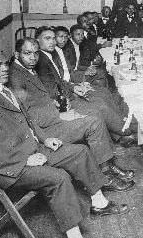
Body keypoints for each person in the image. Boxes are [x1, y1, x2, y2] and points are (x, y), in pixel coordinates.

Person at [0, 48, 128, 238]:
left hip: (33, 149)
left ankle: (99, 203)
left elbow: (28, 120)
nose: (4, 69)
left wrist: (45, 139)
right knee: (58, 178)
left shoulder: (4, 89)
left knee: (79, 152)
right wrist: (24, 160)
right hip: (8, 166)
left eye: (5, 64)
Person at [9, 38, 134, 189]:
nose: (33, 57)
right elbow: (27, 115)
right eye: (27, 53)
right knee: (93, 122)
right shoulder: (15, 77)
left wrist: (57, 104)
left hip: (50, 118)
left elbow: (38, 100)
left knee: (95, 118)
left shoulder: (27, 69)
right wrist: (59, 115)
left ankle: (108, 165)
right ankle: (105, 175)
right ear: (17, 54)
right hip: (43, 130)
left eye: (36, 53)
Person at [34, 26, 135, 143]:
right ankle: (125, 130)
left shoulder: (48, 55)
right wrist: (74, 91)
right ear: (37, 40)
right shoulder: (40, 60)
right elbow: (54, 90)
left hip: (68, 89)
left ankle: (119, 130)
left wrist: (74, 87)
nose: (52, 41)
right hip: (63, 101)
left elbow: (61, 80)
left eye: (53, 38)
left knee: (103, 94)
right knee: (100, 105)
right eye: (47, 38)